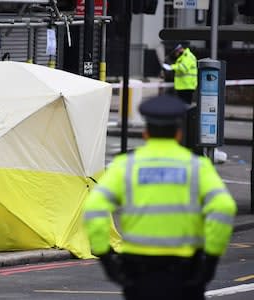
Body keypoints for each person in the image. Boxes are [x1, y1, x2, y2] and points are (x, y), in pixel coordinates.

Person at [83, 94, 237, 300]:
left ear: (146, 133)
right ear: (179, 133)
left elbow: (94, 207)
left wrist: (106, 258)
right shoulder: (196, 167)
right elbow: (224, 207)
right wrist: (211, 259)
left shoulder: (126, 166)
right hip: (186, 270)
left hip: (138, 271)